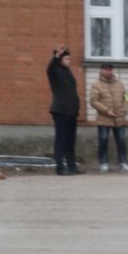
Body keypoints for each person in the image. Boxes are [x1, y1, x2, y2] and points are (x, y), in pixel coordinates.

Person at [87, 63, 128, 173]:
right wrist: (106, 110)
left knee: (122, 141)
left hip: (119, 118)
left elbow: (126, 96)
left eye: (110, 69)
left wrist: (124, 109)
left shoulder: (119, 83)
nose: (108, 71)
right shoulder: (96, 84)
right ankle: (103, 163)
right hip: (104, 119)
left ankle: (123, 163)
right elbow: (93, 101)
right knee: (103, 140)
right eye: (106, 69)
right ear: (101, 70)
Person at [46, 47, 81, 176]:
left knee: (70, 140)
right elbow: (49, 68)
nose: (69, 60)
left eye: (70, 58)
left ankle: (72, 166)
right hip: (60, 111)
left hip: (71, 112)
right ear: (60, 59)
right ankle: (60, 167)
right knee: (61, 139)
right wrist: (55, 57)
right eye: (67, 58)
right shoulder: (54, 71)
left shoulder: (67, 72)